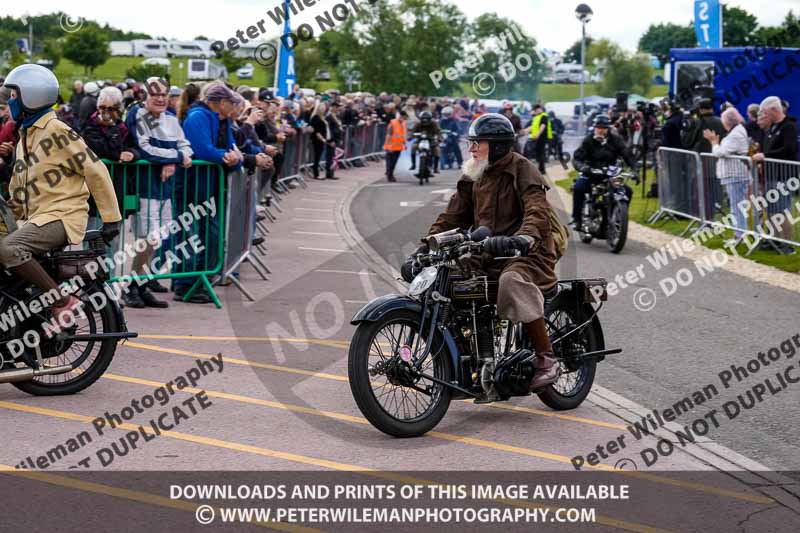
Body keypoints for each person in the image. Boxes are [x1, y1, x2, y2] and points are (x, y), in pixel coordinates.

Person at [404, 113, 561, 391]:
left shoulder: (522, 169)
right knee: (442, 277)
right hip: (484, 251)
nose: (471, 148)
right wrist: (425, 247)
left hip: (526, 252)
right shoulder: (475, 173)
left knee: (511, 281)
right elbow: (452, 216)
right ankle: (472, 358)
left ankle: (546, 358)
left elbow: (537, 210)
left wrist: (524, 237)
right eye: (471, 142)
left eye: (478, 143)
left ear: (498, 145)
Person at [0, 64, 121, 327]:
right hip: (36, 218)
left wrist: (111, 218)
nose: (10, 101)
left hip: (61, 217)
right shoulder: (26, 134)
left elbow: (95, 170)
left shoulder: (57, 130)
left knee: (9, 249)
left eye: (13, 95)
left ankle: (61, 301)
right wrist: (7, 217)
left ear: (31, 95)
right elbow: (20, 190)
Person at [125, 77, 194, 307]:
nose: (161, 98)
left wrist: (177, 158)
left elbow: (185, 145)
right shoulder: (137, 114)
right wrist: (174, 157)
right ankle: (133, 287)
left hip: (165, 189)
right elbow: (145, 149)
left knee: (155, 240)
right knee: (145, 239)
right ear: (145, 95)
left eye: (164, 94)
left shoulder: (171, 118)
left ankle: (141, 284)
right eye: (155, 94)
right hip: (144, 187)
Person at [180, 82, 243, 302]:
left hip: (210, 186)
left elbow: (232, 151)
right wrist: (228, 157)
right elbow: (203, 150)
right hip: (194, 185)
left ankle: (199, 280)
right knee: (191, 234)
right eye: (230, 102)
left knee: (211, 235)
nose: (233, 107)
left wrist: (235, 159)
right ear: (221, 102)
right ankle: (186, 283)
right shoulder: (198, 117)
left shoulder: (219, 120)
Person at [81, 86, 139, 234]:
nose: (105, 111)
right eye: (102, 107)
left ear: (118, 109)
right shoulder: (89, 125)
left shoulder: (122, 127)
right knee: (93, 240)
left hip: (116, 190)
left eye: (111, 108)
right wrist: (118, 154)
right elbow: (99, 148)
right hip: (94, 193)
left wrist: (131, 154)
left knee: (113, 242)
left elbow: (135, 147)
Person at [571, 115, 637, 231]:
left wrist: (635, 170)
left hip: (609, 175)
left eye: (604, 127)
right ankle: (577, 219)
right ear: (594, 128)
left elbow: (627, 155)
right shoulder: (588, 140)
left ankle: (618, 216)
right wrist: (583, 167)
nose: (601, 130)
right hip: (591, 173)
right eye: (598, 127)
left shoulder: (616, 140)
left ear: (608, 128)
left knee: (627, 191)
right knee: (578, 188)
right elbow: (577, 158)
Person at [752, 96, 798, 254]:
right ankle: (774, 239)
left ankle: (787, 243)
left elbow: (789, 149)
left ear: (774, 110)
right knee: (771, 209)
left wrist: (765, 156)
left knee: (782, 210)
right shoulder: (772, 127)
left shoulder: (789, 127)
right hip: (771, 174)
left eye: (765, 112)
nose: (764, 115)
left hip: (784, 176)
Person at [703, 108, 752, 246]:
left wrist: (714, 142)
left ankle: (739, 235)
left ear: (728, 121)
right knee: (736, 206)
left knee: (736, 207)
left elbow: (720, 152)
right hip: (735, 174)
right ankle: (739, 234)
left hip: (735, 174)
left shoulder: (735, 134)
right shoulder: (736, 131)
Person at [408, 111, 441, 176]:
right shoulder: (418, 123)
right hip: (420, 139)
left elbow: (438, 131)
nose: (425, 121)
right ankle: (413, 164)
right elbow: (412, 131)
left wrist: (439, 138)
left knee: (437, 150)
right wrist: (410, 137)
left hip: (431, 140)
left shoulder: (434, 123)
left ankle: (435, 168)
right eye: (423, 119)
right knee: (413, 147)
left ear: (430, 119)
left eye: (427, 119)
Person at [524, 103, 552, 175]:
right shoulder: (537, 117)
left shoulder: (544, 116)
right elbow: (533, 126)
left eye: (536, 110)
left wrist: (538, 134)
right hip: (537, 138)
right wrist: (525, 130)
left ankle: (542, 170)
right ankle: (540, 169)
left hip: (542, 138)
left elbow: (543, 126)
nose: (536, 111)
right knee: (538, 153)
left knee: (541, 153)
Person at [309, 101, 333, 180]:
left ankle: (317, 172)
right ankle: (316, 174)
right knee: (317, 157)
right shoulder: (316, 117)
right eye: (321, 108)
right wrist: (322, 138)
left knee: (318, 157)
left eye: (324, 108)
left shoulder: (322, 117)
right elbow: (316, 130)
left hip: (322, 139)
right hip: (318, 140)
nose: (322, 110)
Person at [383, 109, 407, 182]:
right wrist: (388, 146)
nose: (404, 118)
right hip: (391, 146)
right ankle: (389, 175)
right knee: (390, 162)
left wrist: (404, 143)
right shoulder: (393, 123)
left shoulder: (403, 123)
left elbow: (402, 135)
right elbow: (389, 135)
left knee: (393, 162)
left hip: (398, 147)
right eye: (403, 117)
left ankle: (390, 173)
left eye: (404, 117)